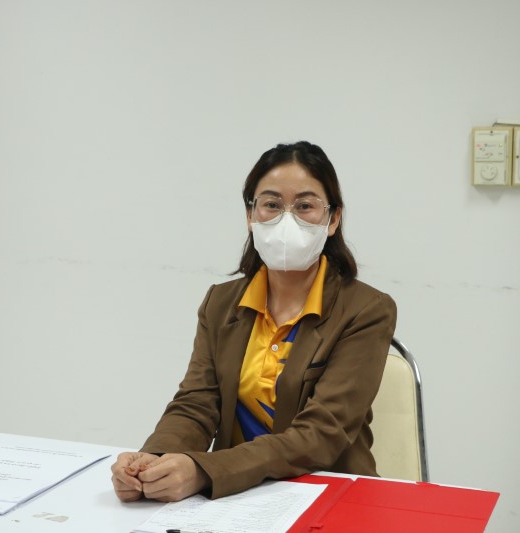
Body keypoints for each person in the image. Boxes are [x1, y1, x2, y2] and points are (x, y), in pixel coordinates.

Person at [110, 140, 397, 502]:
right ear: (251, 215)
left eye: (305, 206)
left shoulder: (367, 309)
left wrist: (203, 471)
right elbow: (197, 403)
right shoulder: (221, 303)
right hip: (236, 498)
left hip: (327, 493)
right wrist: (154, 462)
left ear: (333, 219)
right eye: (272, 205)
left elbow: (322, 433)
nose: (286, 219)